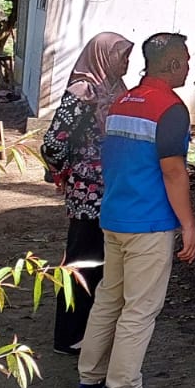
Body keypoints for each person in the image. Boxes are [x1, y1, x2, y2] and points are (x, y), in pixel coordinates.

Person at [76, 31, 195, 388]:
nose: (189, 67)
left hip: (114, 217)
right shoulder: (171, 109)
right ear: (177, 64)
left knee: (109, 299)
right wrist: (189, 226)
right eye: (187, 60)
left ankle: (90, 383)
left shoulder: (121, 102)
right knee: (140, 309)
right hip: (147, 223)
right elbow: (174, 173)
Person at [40, 31, 133, 355]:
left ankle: (90, 334)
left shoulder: (115, 90)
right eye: (122, 56)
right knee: (82, 263)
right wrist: (63, 172)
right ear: (103, 56)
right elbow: (53, 142)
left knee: (103, 265)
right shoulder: (83, 92)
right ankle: (67, 337)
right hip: (88, 194)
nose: (126, 62)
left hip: (111, 190)